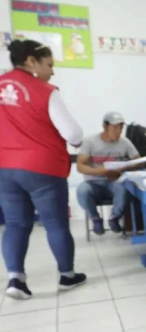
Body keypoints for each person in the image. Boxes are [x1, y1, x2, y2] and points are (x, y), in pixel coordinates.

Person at [0, 40, 87, 299]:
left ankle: (16, 280)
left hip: (4, 168)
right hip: (42, 168)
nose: (52, 71)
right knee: (55, 223)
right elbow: (73, 134)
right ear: (31, 62)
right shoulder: (45, 90)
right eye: (49, 64)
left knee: (15, 223)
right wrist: (76, 142)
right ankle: (67, 276)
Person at [76, 112, 141, 235]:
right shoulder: (90, 141)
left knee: (124, 189)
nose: (118, 131)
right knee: (82, 190)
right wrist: (100, 171)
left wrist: (122, 169)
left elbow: (138, 162)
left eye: (121, 128)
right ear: (105, 126)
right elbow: (80, 166)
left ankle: (114, 218)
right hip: (92, 182)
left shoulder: (125, 142)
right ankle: (95, 219)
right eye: (115, 127)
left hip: (114, 182)